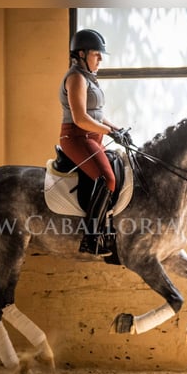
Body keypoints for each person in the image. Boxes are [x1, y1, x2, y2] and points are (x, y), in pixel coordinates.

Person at [59, 28, 122, 256]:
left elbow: (96, 113)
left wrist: (116, 129)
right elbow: (81, 118)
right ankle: (92, 237)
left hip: (93, 137)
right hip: (77, 137)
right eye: (97, 54)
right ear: (82, 54)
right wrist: (109, 131)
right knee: (107, 178)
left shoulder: (89, 79)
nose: (101, 59)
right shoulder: (76, 78)